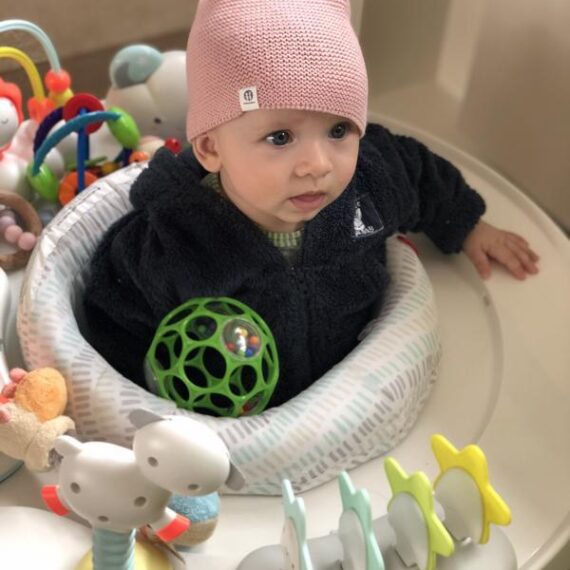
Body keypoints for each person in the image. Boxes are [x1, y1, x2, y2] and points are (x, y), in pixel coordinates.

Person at [83, 0, 538, 408]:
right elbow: (114, 316)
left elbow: (418, 174)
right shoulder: (173, 238)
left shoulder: (369, 182)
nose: (318, 165)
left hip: (359, 400)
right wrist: (150, 406)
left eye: (339, 130)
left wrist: (467, 223)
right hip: (230, 427)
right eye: (280, 137)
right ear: (210, 148)